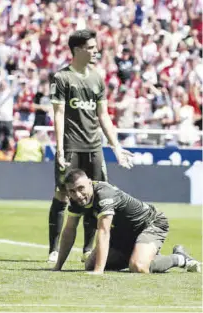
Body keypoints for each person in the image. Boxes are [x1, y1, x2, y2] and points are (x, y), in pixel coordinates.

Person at [48, 29, 134, 264]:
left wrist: (115, 147)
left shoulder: (97, 78)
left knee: (93, 195)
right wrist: (60, 148)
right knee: (63, 194)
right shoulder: (62, 78)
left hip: (94, 147)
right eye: (91, 48)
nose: (96, 51)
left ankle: (88, 248)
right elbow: (58, 113)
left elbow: (104, 115)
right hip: (71, 146)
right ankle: (54, 250)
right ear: (77, 50)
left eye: (96, 48)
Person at [53, 169, 201, 274]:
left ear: (90, 183)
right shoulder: (75, 201)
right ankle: (141, 254)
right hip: (122, 234)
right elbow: (69, 231)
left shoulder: (105, 195)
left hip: (150, 224)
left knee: (138, 266)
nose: (78, 195)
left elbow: (104, 232)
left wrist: (99, 271)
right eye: (72, 191)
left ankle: (179, 258)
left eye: (81, 188)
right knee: (90, 265)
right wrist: (58, 267)